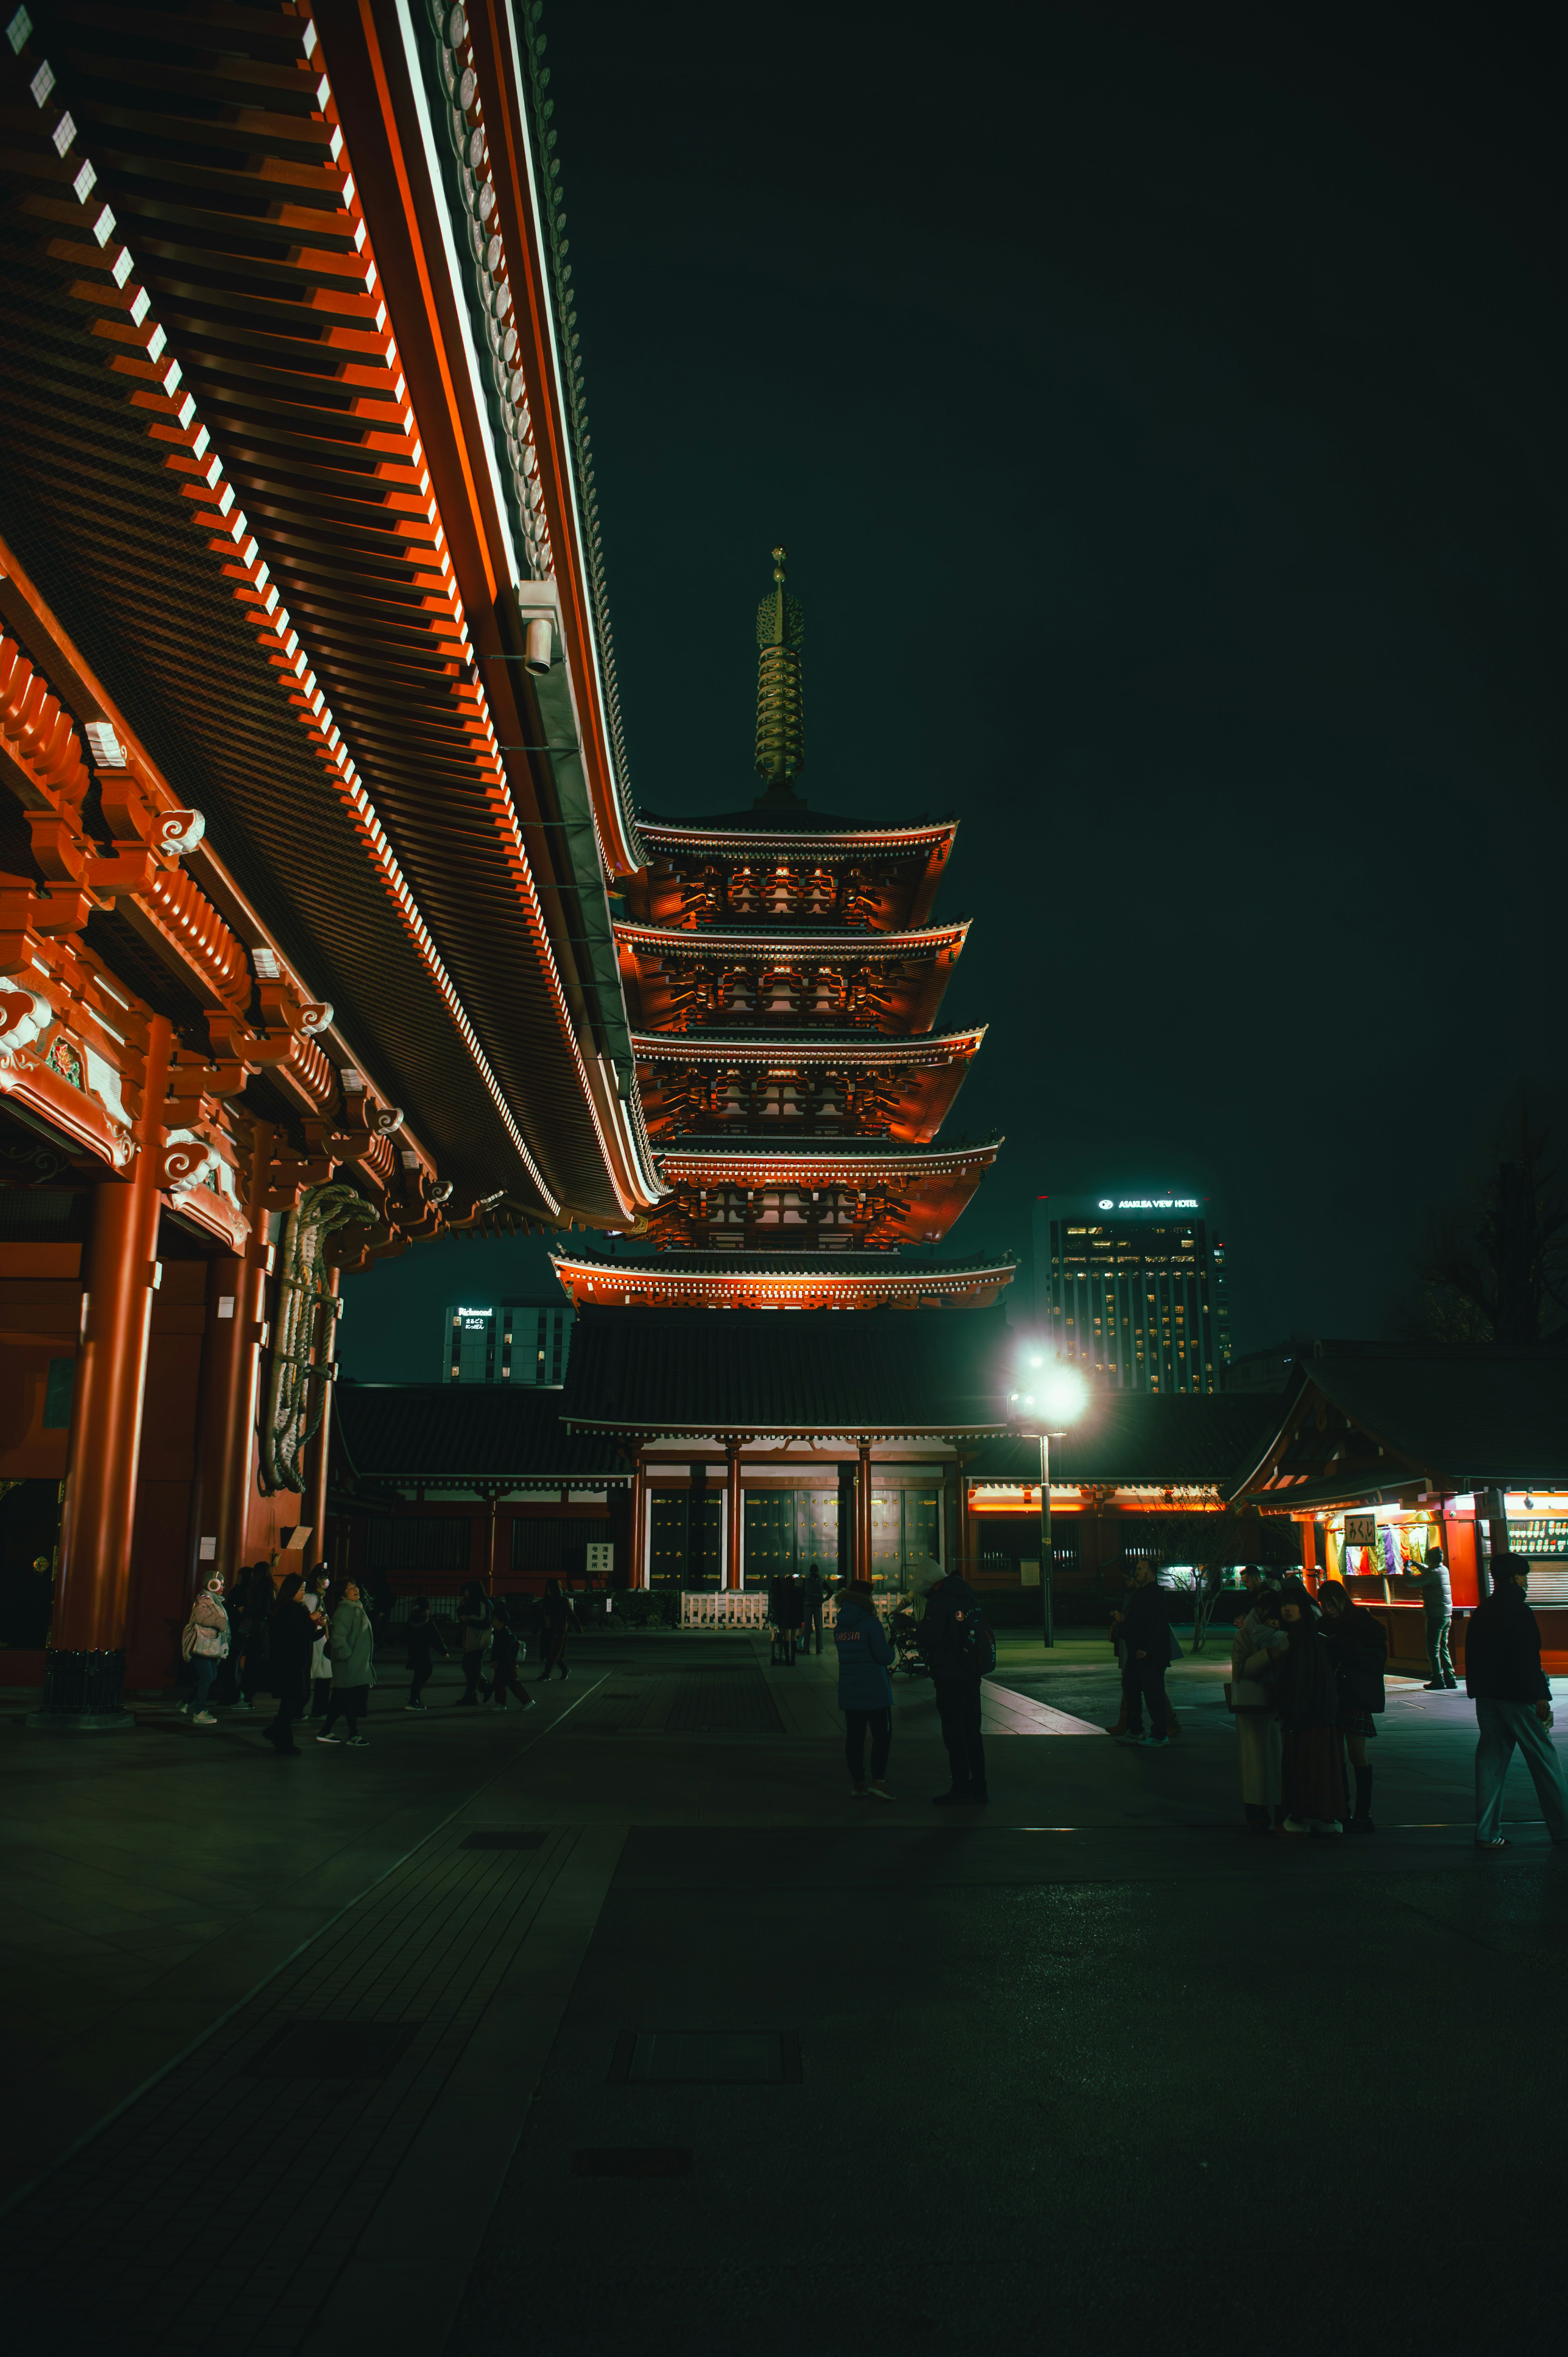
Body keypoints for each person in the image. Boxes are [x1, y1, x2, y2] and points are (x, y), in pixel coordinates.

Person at [1466, 1551, 1568, 1848]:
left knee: (1491, 1763)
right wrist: (1540, 1695)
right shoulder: (1520, 1610)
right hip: (1518, 1696)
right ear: (1516, 1577)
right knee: (1545, 1760)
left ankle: (1486, 1831)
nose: (1526, 1580)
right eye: (1525, 1575)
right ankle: (1563, 1828)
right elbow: (1527, 1657)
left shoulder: (1483, 1610)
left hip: (1487, 1696)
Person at [1272, 1583, 1346, 1835]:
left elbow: (1299, 1681)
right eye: (1284, 1604)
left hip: (1305, 1716)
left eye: (1292, 1603)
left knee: (1303, 1765)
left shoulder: (1300, 1639)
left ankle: (1301, 1815)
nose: (1287, 1608)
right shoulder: (1308, 1636)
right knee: (1321, 1766)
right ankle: (1325, 1816)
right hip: (1319, 1714)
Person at [1318, 1578, 1388, 1832]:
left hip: (1355, 1693)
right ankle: (1345, 1809)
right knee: (1338, 1755)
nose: (1327, 1608)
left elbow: (1377, 1656)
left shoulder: (1363, 1622)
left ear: (1342, 1599)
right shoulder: (1326, 1624)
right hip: (1337, 1695)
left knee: (1357, 1754)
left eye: (1331, 1603)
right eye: (1323, 1604)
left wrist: (1344, 1647)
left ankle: (1361, 1813)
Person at [918, 1562, 989, 1806]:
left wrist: (918, 1630)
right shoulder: (967, 1596)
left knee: (954, 1732)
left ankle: (960, 1788)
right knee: (972, 1731)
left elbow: (931, 1638)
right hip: (971, 1673)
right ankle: (979, 1786)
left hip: (950, 1676)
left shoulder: (939, 1602)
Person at [1230, 1587, 1286, 1833]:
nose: (1275, 1621)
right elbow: (1240, 1672)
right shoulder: (1245, 1636)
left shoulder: (1289, 1634)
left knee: (1279, 1762)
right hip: (1254, 1708)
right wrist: (1267, 1656)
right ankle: (1257, 1812)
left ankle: (1282, 1811)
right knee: (1256, 1764)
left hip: (1281, 1706)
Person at [835, 1577, 895, 1798]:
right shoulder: (871, 1623)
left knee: (855, 1737)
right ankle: (879, 1781)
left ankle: (858, 1783)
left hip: (850, 1690)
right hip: (876, 1691)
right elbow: (884, 1657)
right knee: (882, 1736)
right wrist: (892, 1650)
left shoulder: (841, 1625)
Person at [1116, 1561, 1173, 1750]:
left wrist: (1145, 1647)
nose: (1137, 1572)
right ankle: (1136, 1730)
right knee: (1131, 1688)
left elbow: (1153, 1624)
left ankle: (1159, 1734)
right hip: (1140, 1652)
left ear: (1151, 1573)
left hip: (1149, 1654)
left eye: (1141, 1569)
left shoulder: (1154, 1594)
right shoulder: (1144, 1593)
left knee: (1153, 1694)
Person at [317, 1579, 374, 1746]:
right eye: (351, 1588)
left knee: (344, 1700)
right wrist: (348, 1656)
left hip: (355, 1665)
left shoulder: (356, 1608)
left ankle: (335, 1732)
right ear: (343, 1595)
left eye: (356, 1586)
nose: (356, 1589)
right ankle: (352, 1734)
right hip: (349, 1665)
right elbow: (338, 1639)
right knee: (347, 1700)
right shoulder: (345, 1612)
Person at [265, 1571, 316, 1755]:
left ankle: (276, 1732)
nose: (304, 1592)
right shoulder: (286, 1609)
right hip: (288, 1662)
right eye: (301, 1589)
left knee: (296, 1699)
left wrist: (316, 1624)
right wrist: (311, 1621)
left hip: (299, 1661)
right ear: (292, 1590)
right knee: (292, 1700)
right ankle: (284, 1743)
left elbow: (307, 1634)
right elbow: (293, 1634)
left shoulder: (299, 1607)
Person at [178, 1573, 230, 1724]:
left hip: (211, 1644)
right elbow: (201, 1617)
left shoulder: (216, 1601)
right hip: (201, 1644)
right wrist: (221, 1622)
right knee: (208, 1676)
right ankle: (199, 1712)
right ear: (212, 1584)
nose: (222, 1588)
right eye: (220, 1584)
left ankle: (187, 1702)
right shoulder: (204, 1599)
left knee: (212, 1676)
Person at [1418, 1544, 1457, 1689]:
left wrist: (1407, 1570)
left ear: (1431, 1559)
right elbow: (1430, 1572)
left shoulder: (1433, 1573)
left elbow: (1413, 1583)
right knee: (1443, 1647)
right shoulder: (1443, 1569)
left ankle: (1438, 1678)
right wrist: (1419, 1565)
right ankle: (1450, 1678)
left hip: (1435, 1615)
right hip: (1446, 1614)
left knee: (1433, 1648)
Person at [404, 1595, 448, 1710]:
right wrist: (444, 1652)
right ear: (427, 1609)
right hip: (423, 1654)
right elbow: (437, 1640)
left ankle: (415, 1698)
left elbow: (404, 1637)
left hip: (413, 1652)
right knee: (426, 1672)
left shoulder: (412, 1621)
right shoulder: (428, 1623)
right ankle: (414, 1700)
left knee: (418, 1675)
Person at [490, 1601, 536, 1711]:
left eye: (494, 1619)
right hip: (504, 1664)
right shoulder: (500, 1634)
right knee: (499, 1684)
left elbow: (505, 1652)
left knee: (513, 1684)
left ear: (501, 1622)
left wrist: (497, 1662)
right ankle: (501, 1704)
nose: (492, 1621)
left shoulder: (506, 1636)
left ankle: (527, 1701)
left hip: (507, 1665)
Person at [456, 1579, 493, 1704]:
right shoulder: (474, 1603)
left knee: (473, 1668)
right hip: (472, 1640)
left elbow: (486, 1622)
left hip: (479, 1641)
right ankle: (484, 1687)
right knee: (468, 1666)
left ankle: (471, 1696)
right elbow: (461, 1615)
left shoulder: (484, 1604)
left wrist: (469, 1620)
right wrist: (463, 1605)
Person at [537, 1577, 579, 1680]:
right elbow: (541, 1617)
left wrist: (578, 1627)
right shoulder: (547, 1601)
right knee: (554, 1654)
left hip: (558, 1632)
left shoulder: (563, 1601)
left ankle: (547, 1674)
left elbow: (571, 1614)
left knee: (553, 1654)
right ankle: (565, 1669)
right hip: (547, 1631)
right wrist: (537, 1628)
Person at [303, 1573, 332, 1718]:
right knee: (320, 1675)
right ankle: (318, 1708)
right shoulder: (312, 1598)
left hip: (320, 1638)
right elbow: (309, 1618)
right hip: (317, 1639)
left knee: (321, 1674)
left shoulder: (318, 1597)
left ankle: (320, 1708)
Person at [776, 1571, 804, 1668]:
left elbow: (780, 1606)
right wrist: (802, 1619)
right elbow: (801, 1606)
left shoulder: (783, 1591)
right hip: (795, 1616)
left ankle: (787, 1659)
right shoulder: (798, 1591)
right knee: (794, 1637)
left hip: (786, 1616)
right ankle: (793, 1659)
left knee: (787, 1637)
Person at [802, 1562, 826, 1656]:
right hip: (818, 1606)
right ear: (818, 1571)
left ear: (810, 1571)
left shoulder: (806, 1581)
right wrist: (824, 1599)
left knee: (808, 1628)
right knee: (819, 1628)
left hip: (808, 1606)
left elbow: (802, 1593)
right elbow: (831, 1592)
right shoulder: (822, 1581)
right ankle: (818, 1649)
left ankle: (807, 1649)